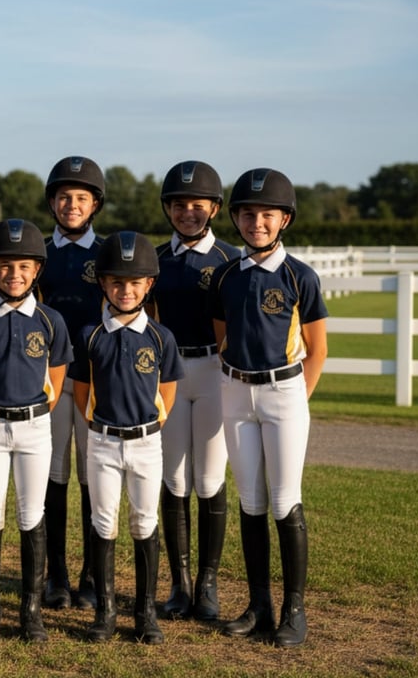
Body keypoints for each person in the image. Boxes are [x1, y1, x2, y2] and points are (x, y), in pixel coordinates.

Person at [210, 168, 328, 647]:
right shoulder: (225, 276)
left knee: (284, 500)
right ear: (236, 218)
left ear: (284, 219)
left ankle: (294, 610)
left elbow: (317, 349)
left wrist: (297, 398)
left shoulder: (301, 276)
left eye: (265, 214)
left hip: (284, 394)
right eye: (247, 213)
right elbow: (223, 338)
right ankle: (259, 604)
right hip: (236, 391)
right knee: (251, 501)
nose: (255, 221)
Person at [0, 218, 72, 642]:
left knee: (31, 514)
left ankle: (31, 610)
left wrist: (29, 415)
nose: (14, 274)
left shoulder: (50, 320)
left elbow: (55, 383)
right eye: (5, 266)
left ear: (36, 270)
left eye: (23, 266)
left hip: (34, 429)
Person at [71, 231, 182, 645]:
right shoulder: (90, 335)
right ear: (103, 284)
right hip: (102, 441)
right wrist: (103, 426)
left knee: (143, 521)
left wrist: (146, 426)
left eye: (135, 283)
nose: (126, 290)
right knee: (103, 522)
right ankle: (105, 611)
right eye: (117, 282)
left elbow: (166, 393)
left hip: (146, 443)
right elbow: (83, 394)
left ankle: (145, 612)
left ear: (148, 285)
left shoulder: (160, 337)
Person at [149, 160, 238, 621]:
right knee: (175, 479)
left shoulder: (229, 259)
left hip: (213, 372)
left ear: (214, 208)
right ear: (168, 208)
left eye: (196, 204)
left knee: (208, 480)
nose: (188, 212)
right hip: (170, 374)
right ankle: (179, 584)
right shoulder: (156, 262)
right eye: (179, 204)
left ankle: (208, 583)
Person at [36, 156, 106, 612]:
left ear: (95, 204)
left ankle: (92, 576)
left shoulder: (109, 254)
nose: (72, 205)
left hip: (98, 380)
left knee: (92, 477)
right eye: (64, 197)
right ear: (53, 203)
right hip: (51, 379)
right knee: (54, 475)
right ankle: (56, 574)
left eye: (81, 198)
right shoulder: (37, 252)